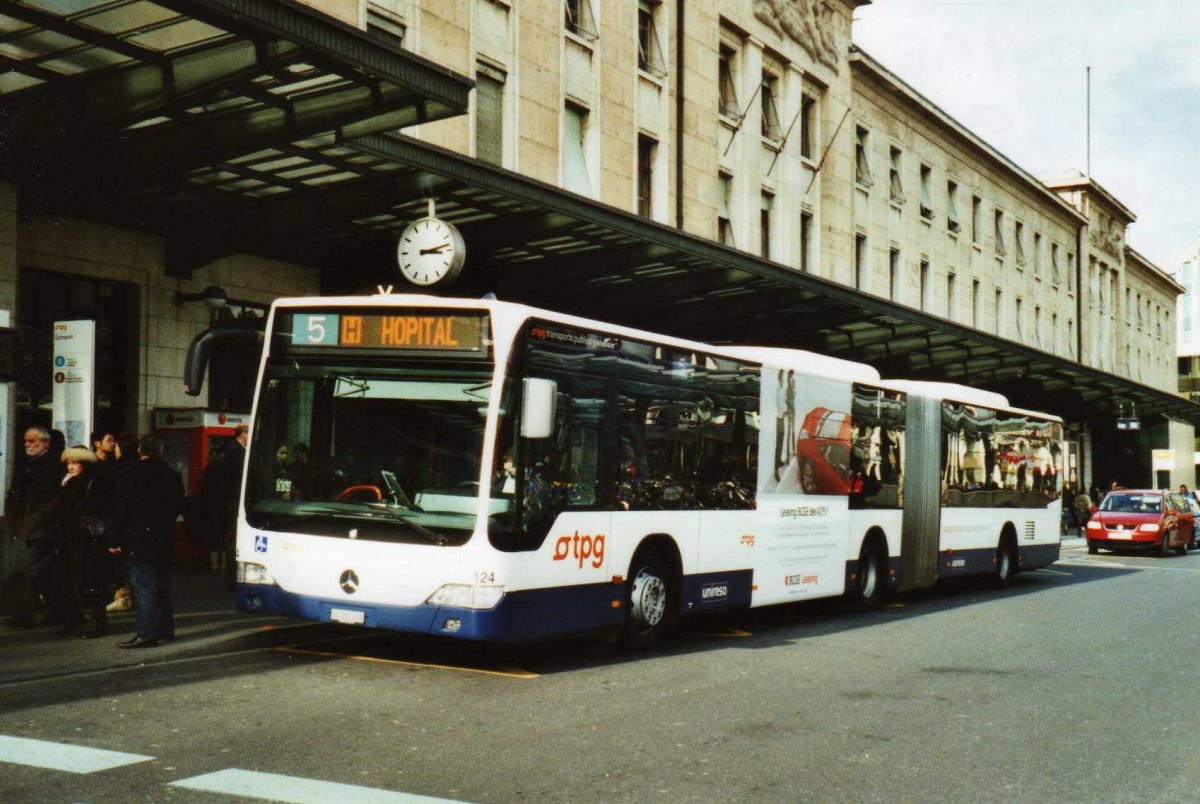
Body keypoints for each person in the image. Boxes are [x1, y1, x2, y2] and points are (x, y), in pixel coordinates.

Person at [108, 435, 184, 649]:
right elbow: (178, 507)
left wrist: (114, 539)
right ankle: (166, 630)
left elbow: (121, 510)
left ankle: (146, 633)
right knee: (162, 587)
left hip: (139, 540)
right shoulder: (173, 475)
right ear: (161, 451)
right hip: (164, 538)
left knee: (144, 588)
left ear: (141, 450)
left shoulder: (132, 474)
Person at [3, 426, 67, 629]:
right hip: (27, 525)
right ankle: (55, 611)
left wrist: (41, 516)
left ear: (46, 443)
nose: (28, 445)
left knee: (32, 569)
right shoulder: (26, 464)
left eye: (32, 441)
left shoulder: (55, 465)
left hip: (43, 526)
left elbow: (59, 497)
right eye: (25, 441)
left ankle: (26, 615)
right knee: (44, 570)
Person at [57, 445, 113, 638]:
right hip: (74, 539)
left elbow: (101, 508)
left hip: (91, 539)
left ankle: (96, 623)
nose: (71, 467)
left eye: (75, 463)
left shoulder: (96, 482)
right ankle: (78, 619)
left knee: (91, 580)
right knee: (74, 580)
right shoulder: (71, 483)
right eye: (69, 463)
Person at [201, 424, 247, 586]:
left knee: (219, 534)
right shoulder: (239, 454)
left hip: (218, 501)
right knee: (232, 537)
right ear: (243, 435)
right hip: (232, 501)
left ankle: (217, 567)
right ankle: (230, 573)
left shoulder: (220, 459)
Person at [105, 434, 141, 614]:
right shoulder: (140, 468)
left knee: (123, 565)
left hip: (125, 529)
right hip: (138, 527)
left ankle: (123, 597)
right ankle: (128, 596)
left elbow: (120, 506)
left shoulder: (122, 472)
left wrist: (113, 537)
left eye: (118, 447)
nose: (115, 450)